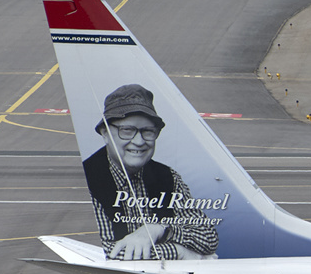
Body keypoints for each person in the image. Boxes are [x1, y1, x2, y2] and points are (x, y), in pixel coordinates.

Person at [83, 84, 218, 260]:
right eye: (127, 130)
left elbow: (208, 237)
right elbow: (107, 254)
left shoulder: (169, 177)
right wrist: (181, 253)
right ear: (105, 133)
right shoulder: (87, 178)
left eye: (147, 131)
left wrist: (160, 229)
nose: (139, 141)